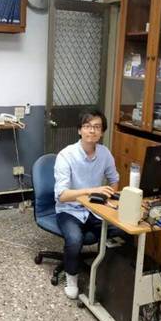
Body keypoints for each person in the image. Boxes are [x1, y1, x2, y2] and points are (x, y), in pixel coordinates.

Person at [54, 109, 119, 299]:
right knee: (75, 239)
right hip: (69, 210)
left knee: (122, 231)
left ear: (102, 132)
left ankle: (109, 274)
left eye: (97, 127)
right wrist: (91, 191)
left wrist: (109, 197)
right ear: (79, 130)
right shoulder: (66, 155)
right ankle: (71, 278)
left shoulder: (105, 154)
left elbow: (114, 180)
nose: (92, 130)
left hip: (96, 208)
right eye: (87, 126)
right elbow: (62, 195)